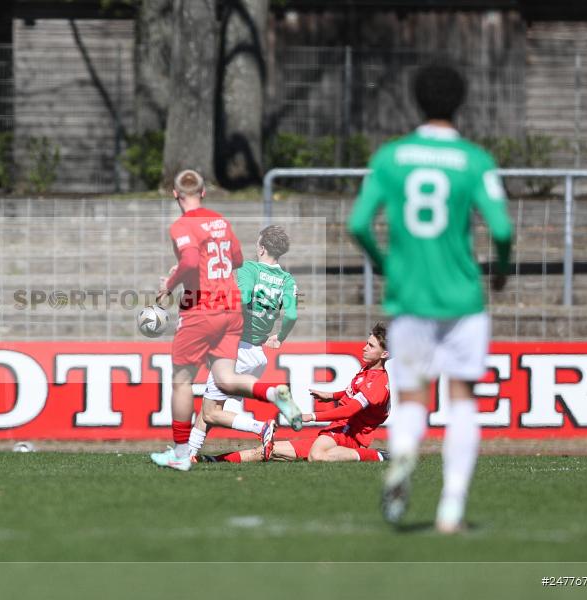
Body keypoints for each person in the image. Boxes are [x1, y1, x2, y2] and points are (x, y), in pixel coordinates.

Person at [348, 63, 514, 533]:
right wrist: (500, 271)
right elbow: (501, 228)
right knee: (462, 399)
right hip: (462, 299)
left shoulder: (391, 157)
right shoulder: (474, 159)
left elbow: (358, 223)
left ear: (416, 101)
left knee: (413, 397)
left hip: (409, 299)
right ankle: (451, 509)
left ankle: (402, 457)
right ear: (460, 102)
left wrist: (384, 262)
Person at [150, 170, 302, 472]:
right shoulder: (221, 222)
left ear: (174, 193)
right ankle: (272, 393)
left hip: (204, 309)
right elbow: (234, 258)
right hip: (232, 316)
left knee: (182, 383)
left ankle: (182, 454)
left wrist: (171, 282)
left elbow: (193, 261)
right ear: (205, 192)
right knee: (224, 380)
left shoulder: (183, 225)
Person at [186, 225, 298, 462]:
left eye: (258, 242)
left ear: (262, 247)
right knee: (216, 409)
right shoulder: (287, 280)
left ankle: (262, 427)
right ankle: (189, 454)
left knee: (210, 411)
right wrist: (280, 337)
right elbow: (291, 315)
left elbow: (244, 298)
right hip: (257, 355)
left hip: (236, 350)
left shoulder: (250, 268)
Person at [205, 324, 390, 464]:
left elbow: (350, 410)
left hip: (348, 435)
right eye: (367, 343)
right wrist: (332, 396)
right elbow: (355, 392)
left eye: (371, 346)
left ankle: (378, 455)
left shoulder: (378, 383)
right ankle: (211, 461)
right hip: (338, 430)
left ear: (385, 354)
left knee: (316, 456)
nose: (365, 348)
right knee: (270, 449)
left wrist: (310, 416)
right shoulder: (368, 371)